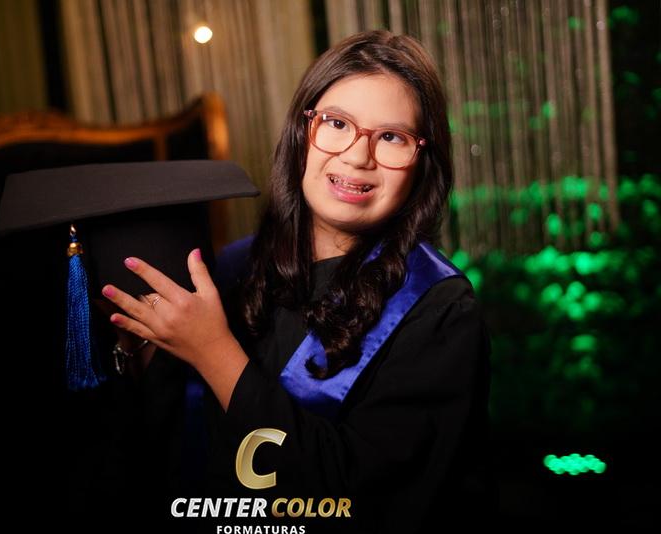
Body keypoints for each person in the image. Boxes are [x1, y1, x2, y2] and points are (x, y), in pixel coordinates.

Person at [102, 31, 496, 533]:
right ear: (301, 132)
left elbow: (369, 504)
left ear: (422, 161)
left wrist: (213, 352)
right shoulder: (233, 269)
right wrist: (146, 357)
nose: (358, 156)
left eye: (392, 137)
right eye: (337, 123)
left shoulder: (440, 310)